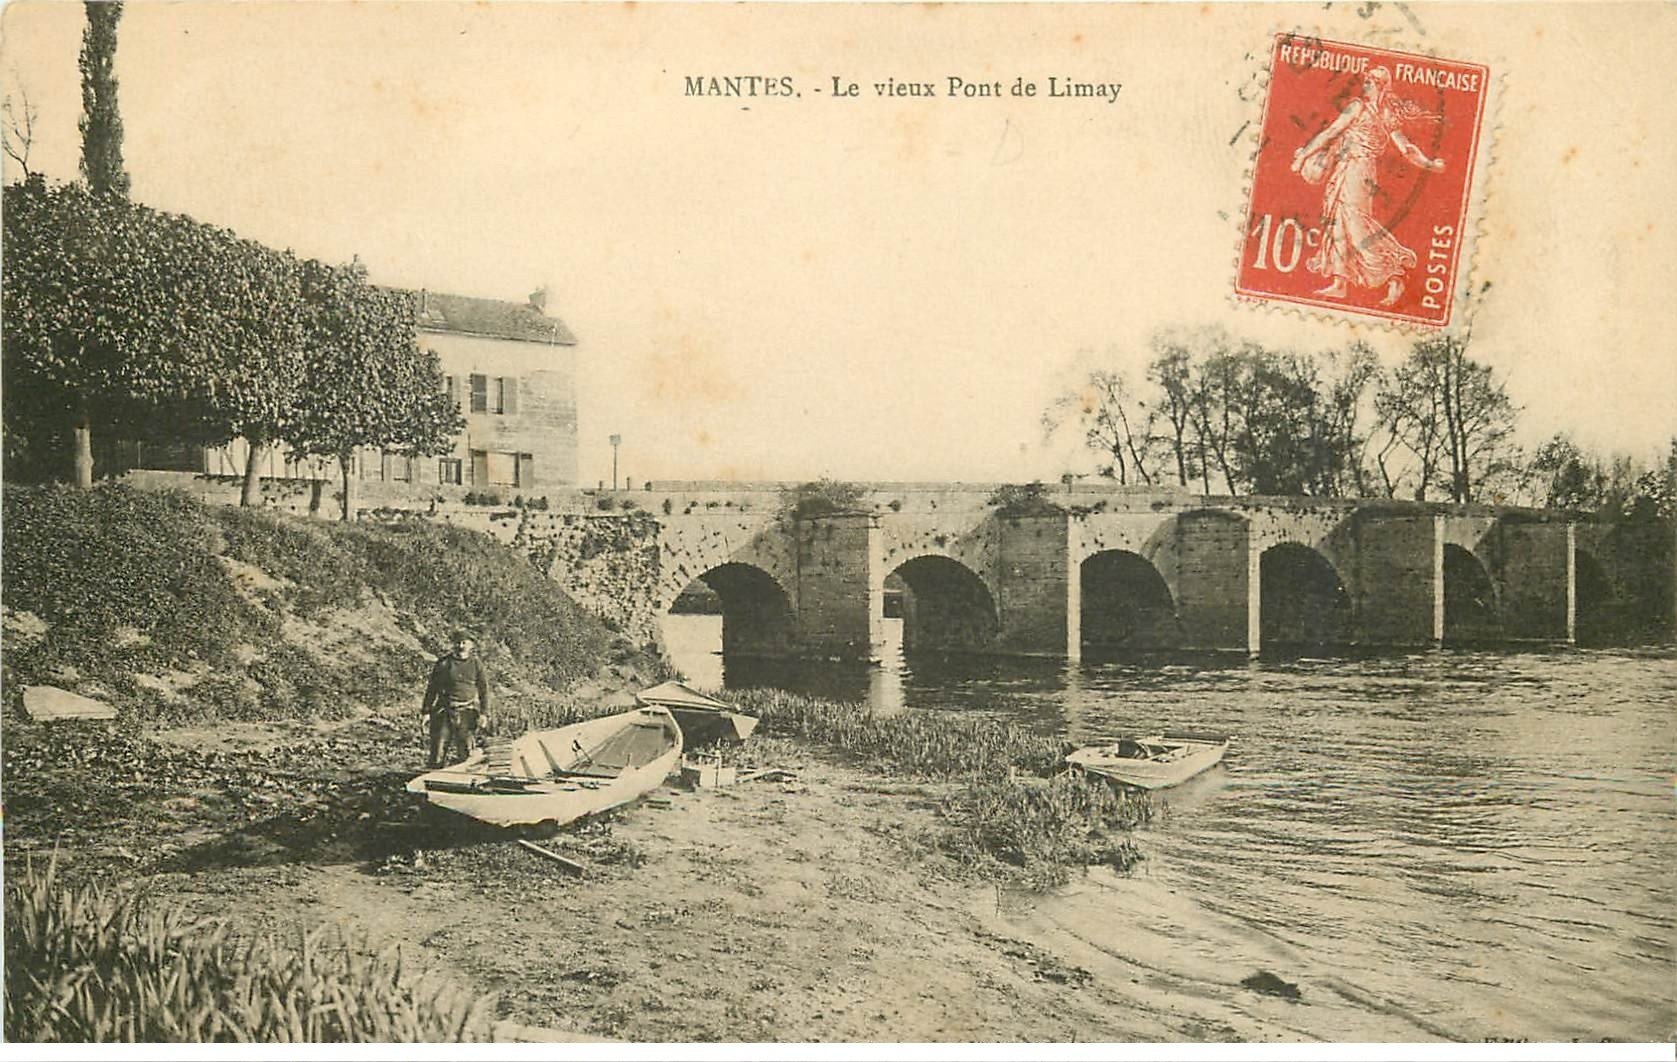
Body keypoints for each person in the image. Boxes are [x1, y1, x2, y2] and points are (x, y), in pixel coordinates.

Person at [1290, 65, 1447, 308]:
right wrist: (1430, 164)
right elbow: (1334, 134)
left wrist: (1302, 157)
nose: (1365, 85)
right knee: (1339, 221)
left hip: (1357, 171)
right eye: (1366, 81)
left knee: (1355, 224)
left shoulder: (1364, 109)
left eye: (1370, 81)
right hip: (1352, 169)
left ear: (1379, 86)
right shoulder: (1382, 113)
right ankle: (1340, 282)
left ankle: (1394, 274)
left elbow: (1332, 132)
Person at [422, 630, 492, 767]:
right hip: (444, 712)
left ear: (471, 645)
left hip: (467, 712)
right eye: (457, 643)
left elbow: (484, 690)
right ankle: (433, 775)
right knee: (437, 752)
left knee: (466, 754)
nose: (460, 646)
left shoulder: (476, 664)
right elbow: (432, 689)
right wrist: (426, 712)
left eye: (464, 643)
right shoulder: (443, 664)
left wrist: (484, 713)